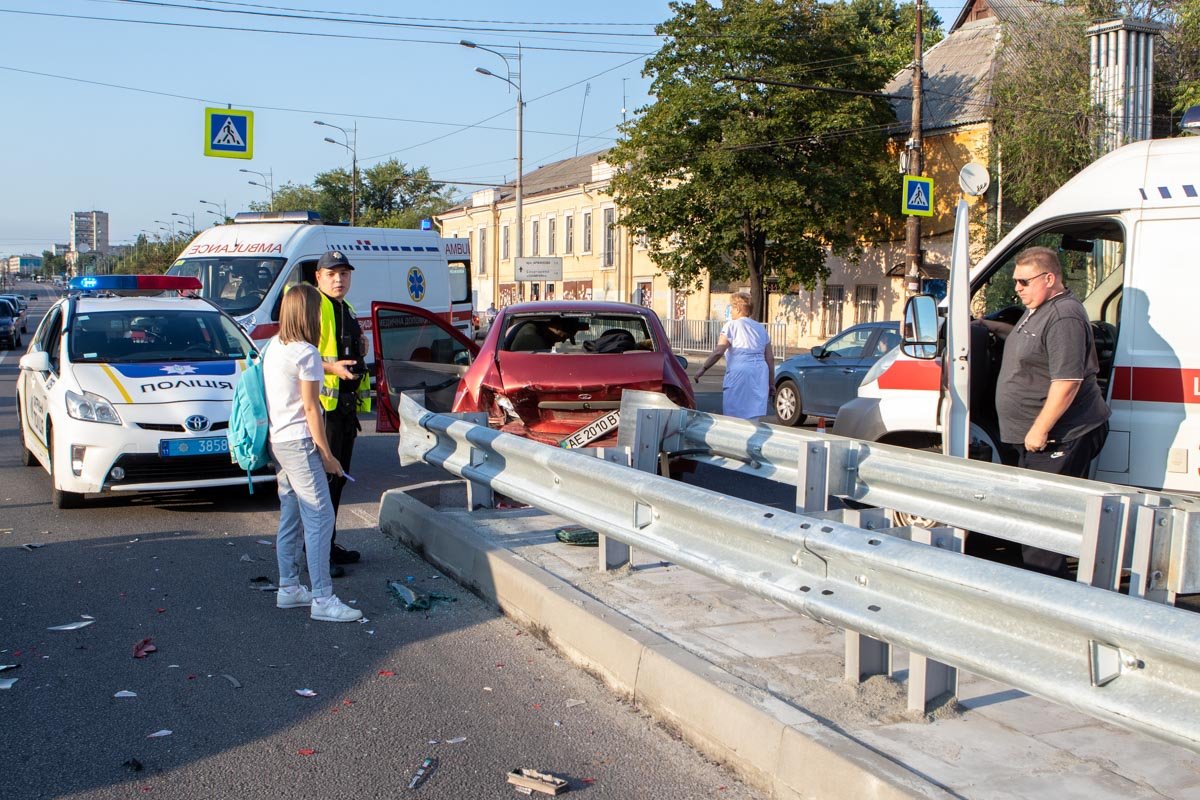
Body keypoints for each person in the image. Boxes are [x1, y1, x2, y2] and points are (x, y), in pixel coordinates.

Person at [993, 246, 1110, 576]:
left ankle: (1045, 597)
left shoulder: (1064, 316)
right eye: (1015, 281)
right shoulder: (1039, 308)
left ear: (1049, 278)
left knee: (1041, 522)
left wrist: (1040, 429)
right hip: (1040, 437)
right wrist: (990, 326)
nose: (1017, 288)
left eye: (1023, 281)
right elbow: (1029, 341)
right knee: (1039, 517)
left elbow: (1068, 382)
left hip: (1060, 436)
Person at [264, 283, 363, 623]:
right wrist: (327, 454)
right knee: (320, 517)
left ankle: (289, 587)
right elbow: (310, 408)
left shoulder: (275, 347)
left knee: (291, 512)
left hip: (279, 440)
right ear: (309, 316)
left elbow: (303, 372)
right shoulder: (305, 352)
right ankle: (323, 598)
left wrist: (331, 367)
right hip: (301, 442)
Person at [312, 250, 372, 577]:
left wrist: (359, 347)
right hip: (324, 409)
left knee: (338, 480)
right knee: (325, 481)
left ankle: (328, 543)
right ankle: (319, 553)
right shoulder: (316, 307)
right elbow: (298, 356)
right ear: (318, 277)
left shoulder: (344, 307)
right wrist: (331, 367)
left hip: (344, 408)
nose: (339, 279)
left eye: (344, 274)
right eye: (332, 274)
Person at [695, 292, 774, 419]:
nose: (730, 311)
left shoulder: (731, 325)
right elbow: (769, 358)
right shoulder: (761, 329)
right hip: (760, 373)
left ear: (737, 308)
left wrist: (703, 369)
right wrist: (771, 383)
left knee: (734, 415)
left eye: (731, 307)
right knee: (753, 415)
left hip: (739, 372)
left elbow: (718, 352)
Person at [507, 318, 581, 351]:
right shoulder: (531, 338)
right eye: (564, 337)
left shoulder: (534, 330)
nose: (563, 341)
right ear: (558, 328)